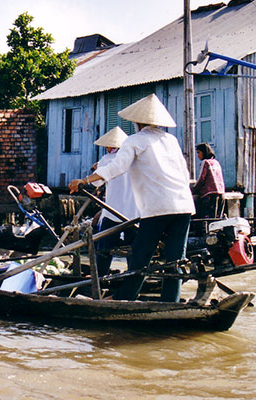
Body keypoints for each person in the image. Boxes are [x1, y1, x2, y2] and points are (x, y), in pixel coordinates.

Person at [68, 93, 195, 302]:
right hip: (183, 205)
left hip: (157, 207)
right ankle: (170, 301)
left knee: (140, 256)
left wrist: (84, 180)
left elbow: (117, 167)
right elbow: (185, 173)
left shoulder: (135, 140)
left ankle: (124, 299)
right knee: (175, 258)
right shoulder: (171, 140)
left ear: (137, 122)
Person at [89, 127, 139, 279]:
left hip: (112, 211)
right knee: (134, 249)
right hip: (133, 213)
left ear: (110, 146)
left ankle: (98, 279)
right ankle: (135, 278)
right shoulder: (134, 159)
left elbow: (96, 183)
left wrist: (96, 169)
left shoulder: (106, 160)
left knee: (104, 248)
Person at [193, 142, 225, 219]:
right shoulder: (216, 162)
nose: (198, 155)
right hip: (221, 193)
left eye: (199, 153)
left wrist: (194, 189)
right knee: (217, 219)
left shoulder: (205, 162)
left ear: (204, 152)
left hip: (209, 195)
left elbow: (201, 179)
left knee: (206, 219)